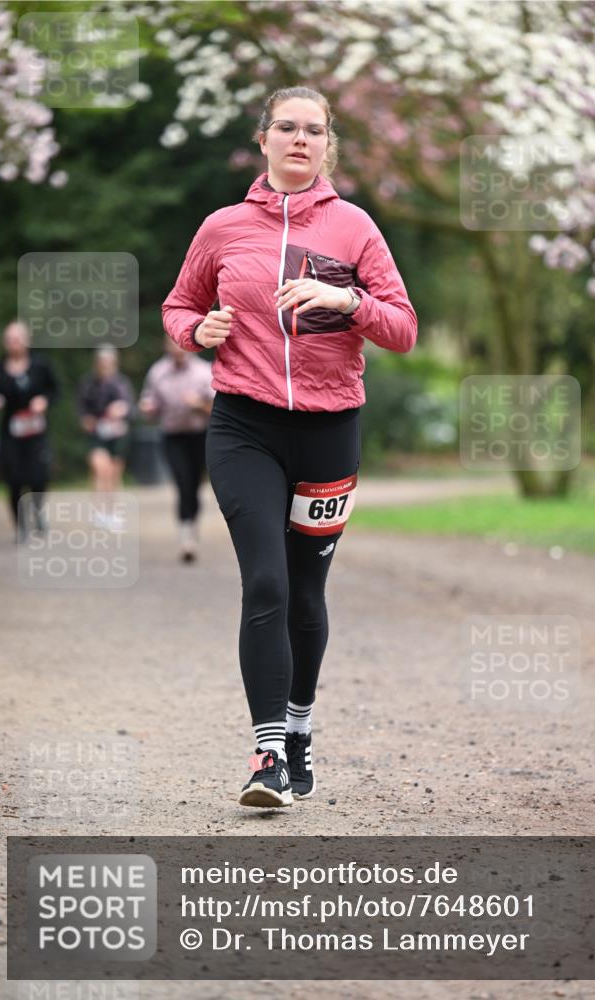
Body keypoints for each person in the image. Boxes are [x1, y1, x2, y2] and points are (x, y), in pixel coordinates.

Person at [162, 86, 417, 809]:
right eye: (286, 127)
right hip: (243, 426)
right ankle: (268, 755)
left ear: (327, 144)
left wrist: (348, 302)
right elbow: (179, 305)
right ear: (264, 139)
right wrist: (195, 332)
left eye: (314, 130)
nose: (299, 139)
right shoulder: (222, 227)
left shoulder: (354, 228)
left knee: (306, 593)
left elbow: (402, 328)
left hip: (329, 431)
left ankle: (300, 729)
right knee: (266, 583)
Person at [139, 336, 215, 562]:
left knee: (194, 484)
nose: (177, 348)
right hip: (172, 436)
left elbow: (216, 408)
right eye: (172, 344)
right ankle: (186, 535)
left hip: (199, 435)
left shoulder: (203, 371)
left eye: (180, 343)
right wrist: (148, 408)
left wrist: (199, 404)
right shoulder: (157, 372)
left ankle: (192, 522)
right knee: (182, 482)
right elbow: (150, 403)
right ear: (165, 346)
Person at [0, 320, 59, 541]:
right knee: (14, 479)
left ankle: (37, 510)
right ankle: (21, 527)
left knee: (39, 477)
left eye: (18, 339)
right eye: (10, 340)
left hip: (36, 432)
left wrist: (44, 401)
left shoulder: (40, 365)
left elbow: (55, 391)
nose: (14, 343)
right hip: (10, 433)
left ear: (27, 340)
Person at [78, 345, 134, 529]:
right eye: (102, 362)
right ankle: (99, 511)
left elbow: (131, 410)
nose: (105, 365)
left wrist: (121, 410)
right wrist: (87, 420)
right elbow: (82, 411)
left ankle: (111, 511)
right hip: (97, 434)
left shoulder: (122, 384)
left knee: (114, 474)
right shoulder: (88, 384)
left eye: (109, 362)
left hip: (118, 436)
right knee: (101, 469)